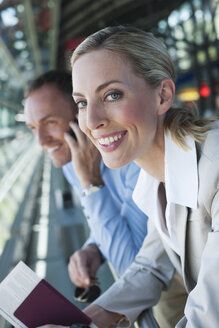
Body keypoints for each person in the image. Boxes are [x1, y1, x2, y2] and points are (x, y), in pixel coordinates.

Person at [67, 25, 218, 328]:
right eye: (82, 102)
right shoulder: (154, 176)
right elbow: (151, 265)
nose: (92, 121)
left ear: (163, 95)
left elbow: (209, 316)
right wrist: (86, 321)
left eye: (111, 95)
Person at [25, 71, 187, 328]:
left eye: (50, 123)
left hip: (176, 285)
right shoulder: (71, 162)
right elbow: (113, 217)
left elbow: (135, 263)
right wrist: (93, 248)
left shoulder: (136, 158)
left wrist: (90, 184)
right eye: (33, 128)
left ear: (80, 118)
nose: (41, 140)